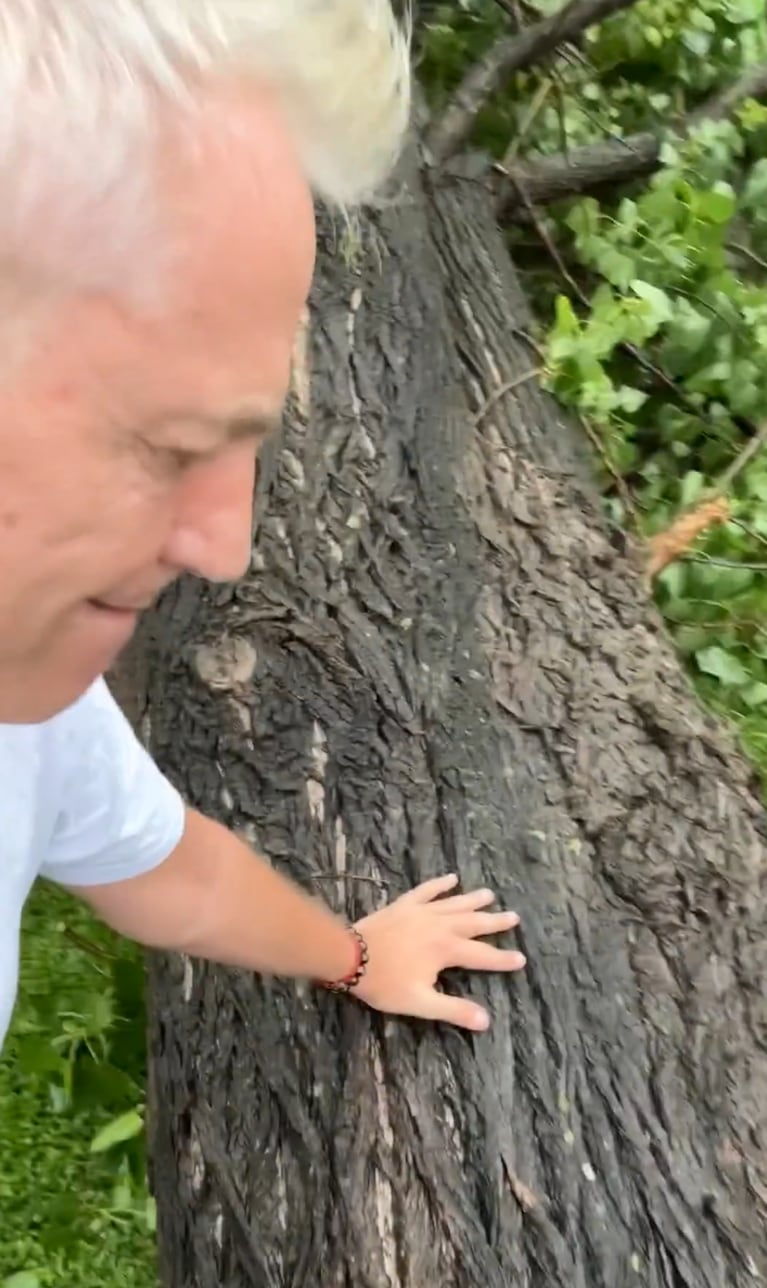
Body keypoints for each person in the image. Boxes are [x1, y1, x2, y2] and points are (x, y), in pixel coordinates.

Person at [0, 0, 526, 1055]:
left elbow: (160, 864)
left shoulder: (30, 705)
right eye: (163, 441)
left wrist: (354, 955)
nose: (221, 548)